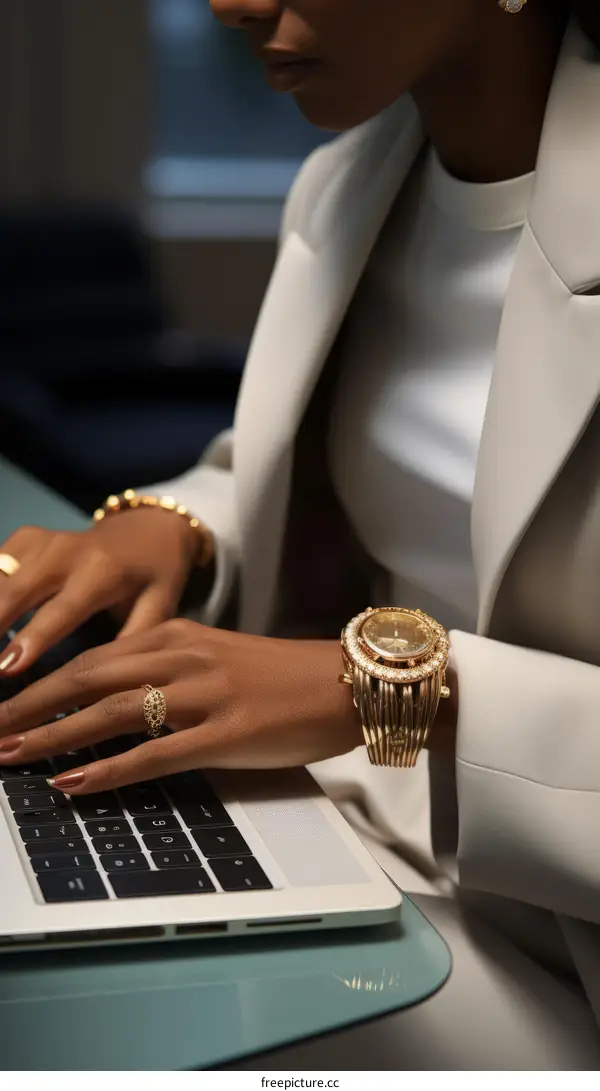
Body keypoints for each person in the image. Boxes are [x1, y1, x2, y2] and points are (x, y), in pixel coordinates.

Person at [1, 0, 600, 1069]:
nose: (231, 3)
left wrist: (389, 687)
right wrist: (174, 526)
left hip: (552, 943)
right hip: (342, 823)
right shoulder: (354, 179)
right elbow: (331, 464)